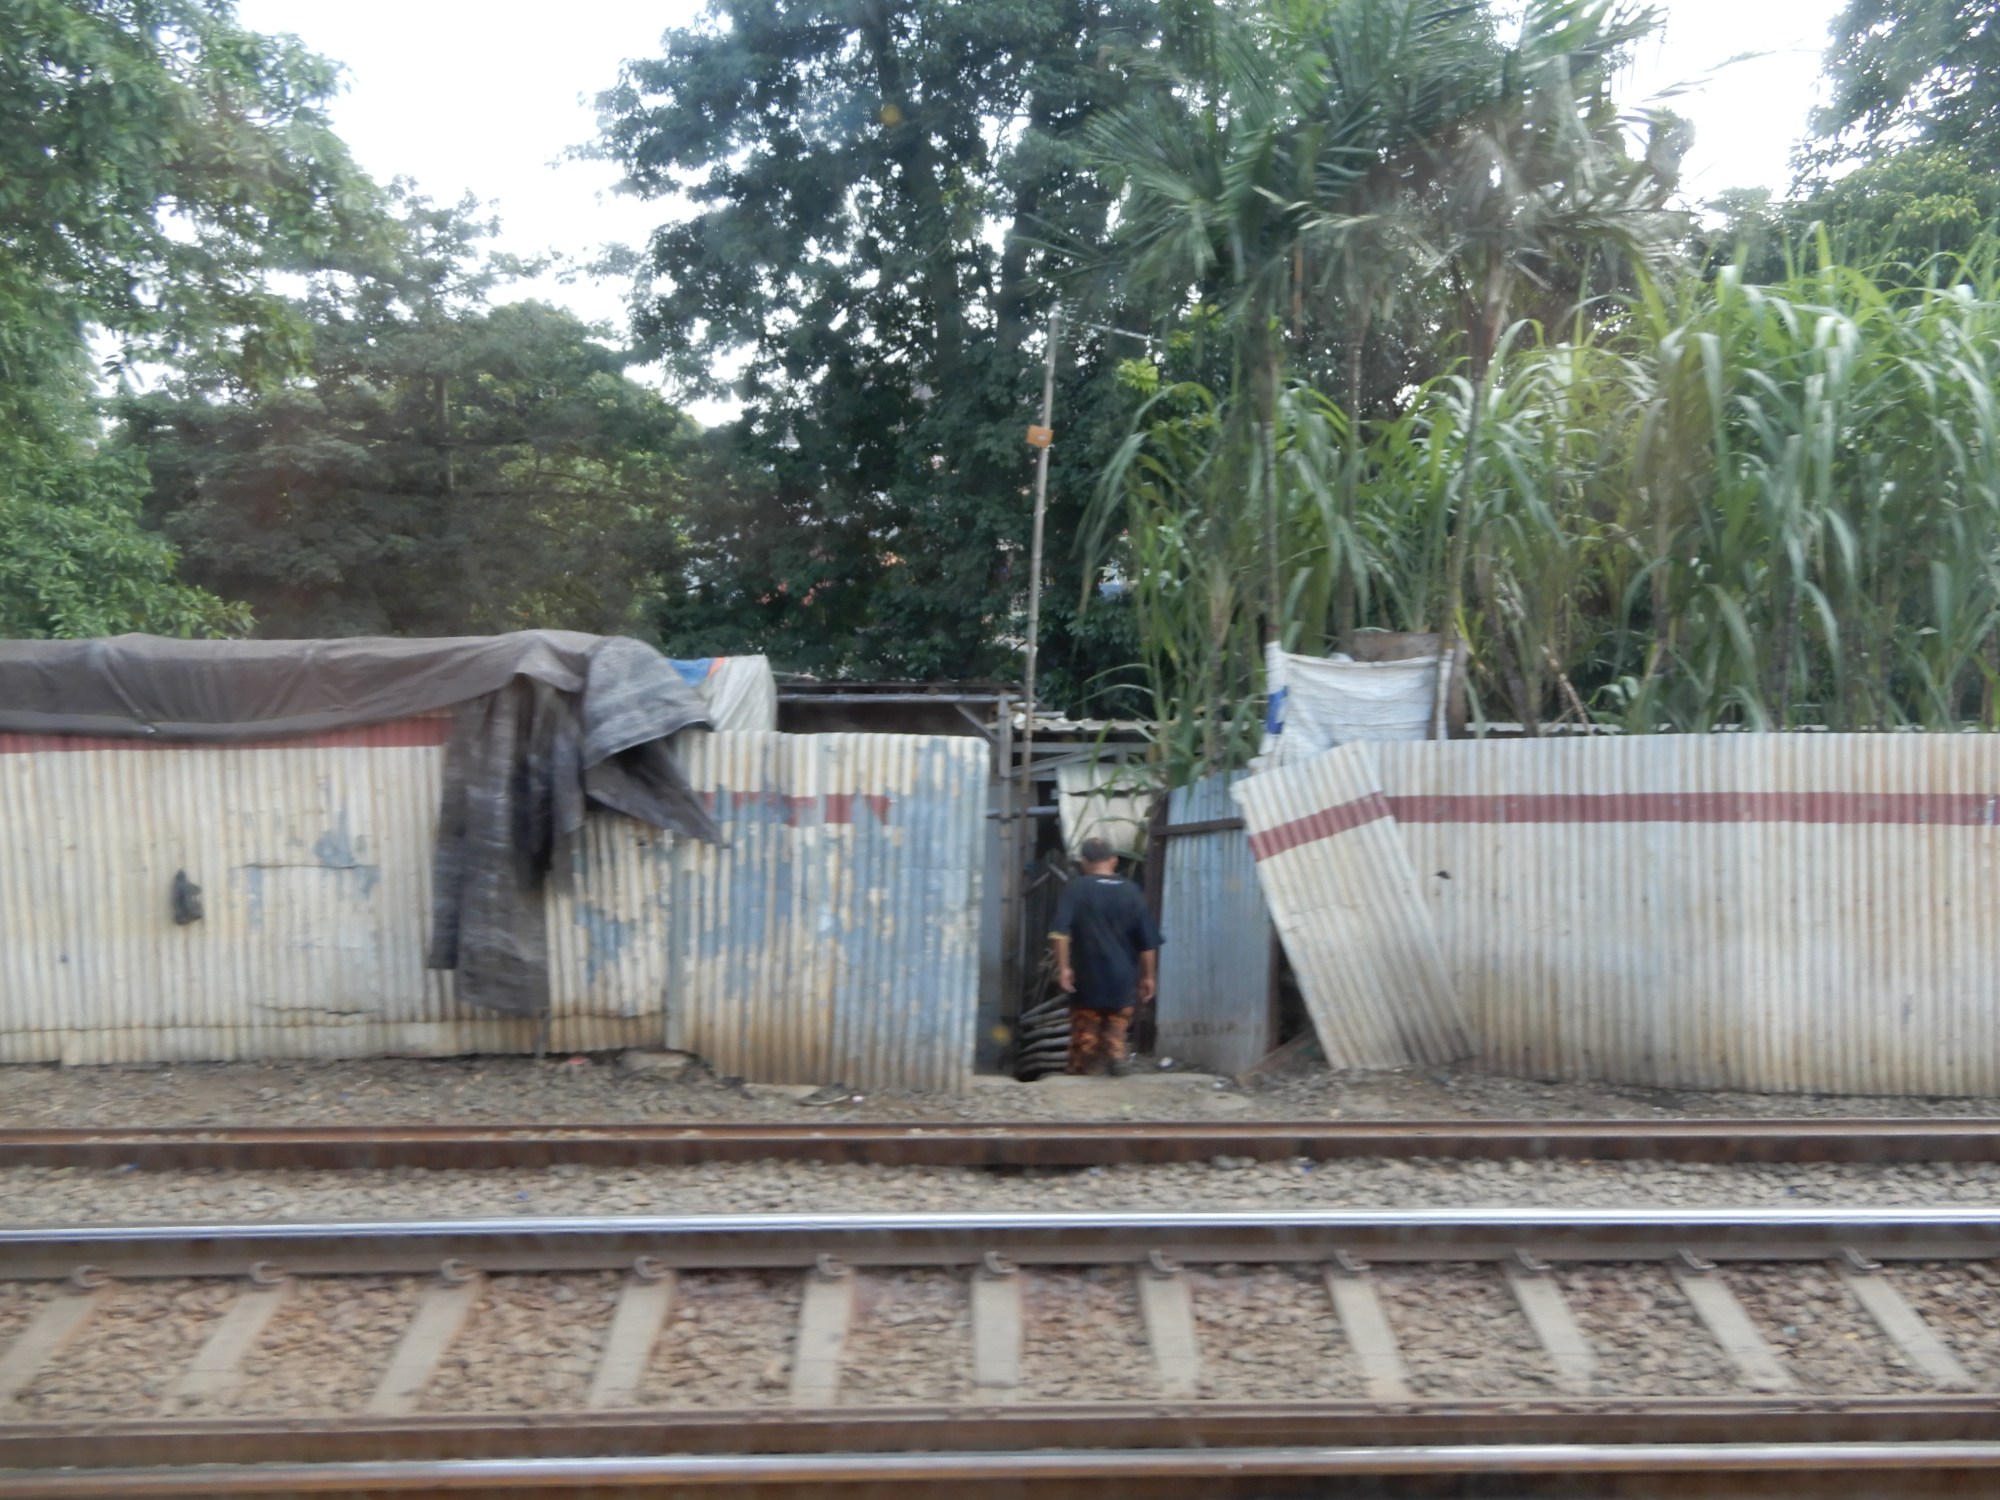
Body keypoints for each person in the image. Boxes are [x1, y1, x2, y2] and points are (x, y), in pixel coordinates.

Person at [1048, 836, 1163, 1076]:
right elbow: (1147, 942)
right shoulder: (1131, 891)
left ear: (1083, 862)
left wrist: (1064, 968)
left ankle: (1085, 1067)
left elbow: (1059, 933)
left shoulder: (1077, 889)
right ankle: (1115, 1054)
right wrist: (1149, 977)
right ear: (1114, 860)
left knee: (1085, 1035)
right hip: (1122, 978)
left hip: (1087, 976)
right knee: (1116, 1026)